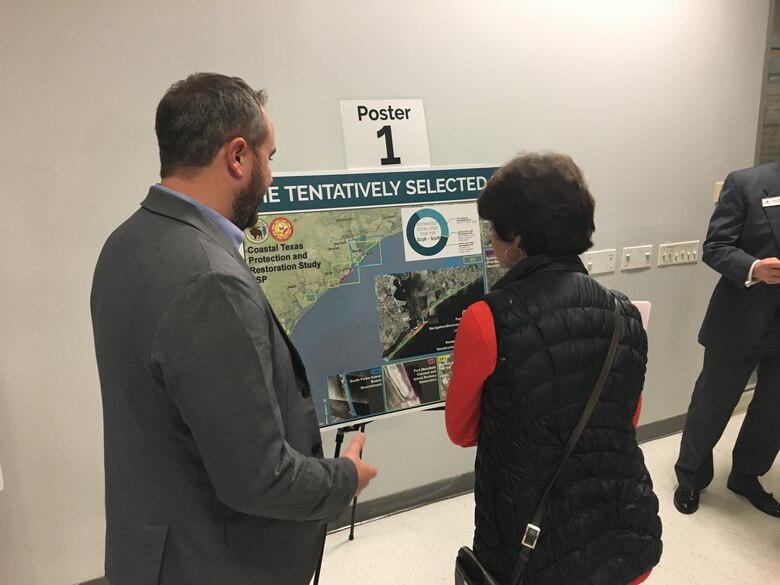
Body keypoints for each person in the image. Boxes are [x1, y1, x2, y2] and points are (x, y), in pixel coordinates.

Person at [90, 73, 377, 585]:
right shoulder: (208, 279)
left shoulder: (124, 243)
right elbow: (257, 477)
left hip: (153, 550)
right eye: (271, 157)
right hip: (213, 564)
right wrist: (344, 478)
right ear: (238, 157)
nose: (272, 175)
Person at [445, 153, 662, 585]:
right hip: (622, 528)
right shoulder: (625, 313)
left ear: (516, 237)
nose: (490, 240)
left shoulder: (486, 319)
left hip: (529, 540)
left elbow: (463, 432)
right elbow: (627, 418)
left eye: (493, 228)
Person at [673, 162, 780, 518]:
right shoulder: (747, 183)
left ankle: (746, 476)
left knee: (772, 411)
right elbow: (716, 246)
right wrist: (754, 269)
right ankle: (690, 477)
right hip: (740, 319)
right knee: (712, 403)